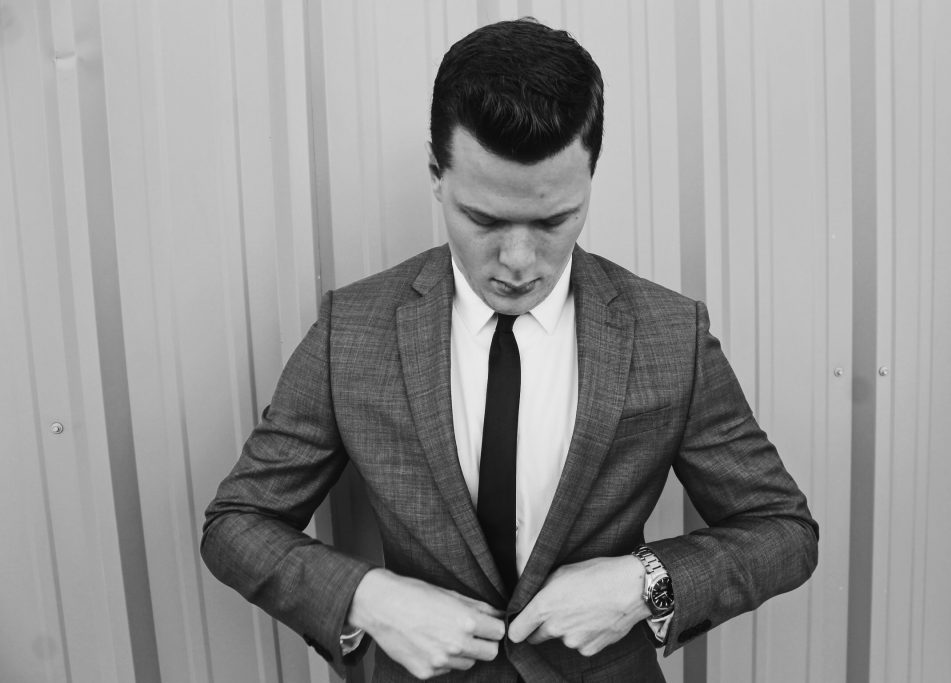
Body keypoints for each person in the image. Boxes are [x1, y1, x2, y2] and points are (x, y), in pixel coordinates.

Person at [201, 17, 818, 682]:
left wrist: (645, 583)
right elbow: (239, 521)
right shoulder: (352, 330)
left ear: (590, 178)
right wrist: (368, 599)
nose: (519, 260)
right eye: (484, 219)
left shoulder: (670, 333)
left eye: (554, 220)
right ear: (436, 175)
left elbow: (781, 529)